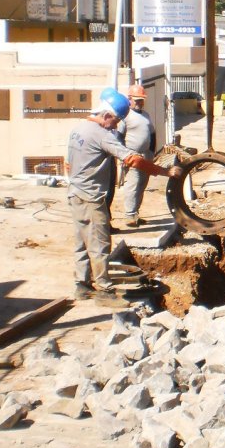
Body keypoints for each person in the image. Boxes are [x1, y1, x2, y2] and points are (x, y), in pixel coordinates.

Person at [67, 87, 180, 307]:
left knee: (81, 241)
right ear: (106, 115)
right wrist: (164, 172)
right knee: (100, 243)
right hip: (91, 197)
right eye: (116, 120)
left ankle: (82, 285)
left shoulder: (78, 129)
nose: (116, 125)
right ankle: (104, 291)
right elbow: (133, 160)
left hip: (75, 193)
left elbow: (68, 163)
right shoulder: (101, 135)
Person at [117, 84, 156, 228]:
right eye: (137, 100)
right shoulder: (125, 116)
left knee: (141, 185)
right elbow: (119, 137)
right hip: (132, 156)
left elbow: (152, 134)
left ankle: (135, 214)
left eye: (141, 100)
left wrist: (151, 153)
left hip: (146, 156)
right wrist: (124, 155)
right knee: (133, 185)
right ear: (130, 99)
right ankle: (129, 215)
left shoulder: (146, 115)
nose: (139, 102)